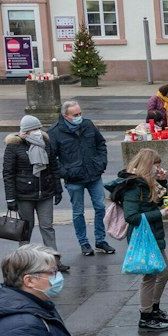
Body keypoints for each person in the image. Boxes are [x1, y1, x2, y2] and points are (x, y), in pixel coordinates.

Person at [106, 149, 168, 331]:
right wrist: (159, 214)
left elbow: (156, 202)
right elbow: (131, 216)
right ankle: (146, 316)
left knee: (163, 272)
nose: (158, 168)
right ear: (147, 165)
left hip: (152, 233)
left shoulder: (147, 182)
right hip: (144, 235)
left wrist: (162, 182)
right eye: (156, 165)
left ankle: (153, 309)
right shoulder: (134, 186)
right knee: (151, 275)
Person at [51, 100, 115, 258]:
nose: (79, 117)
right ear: (65, 116)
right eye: (75, 115)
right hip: (74, 178)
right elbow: (52, 158)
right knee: (78, 212)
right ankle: (84, 243)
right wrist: (65, 172)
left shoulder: (88, 125)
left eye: (80, 113)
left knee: (100, 207)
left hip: (93, 174)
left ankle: (100, 240)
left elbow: (101, 144)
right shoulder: (55, 132)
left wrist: (100, 163)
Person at [3, 115, 68, 271]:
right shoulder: (14, 146)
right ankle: (23, 263)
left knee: (47, 226)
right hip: (24, 194)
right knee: (26, 228)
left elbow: (53, 168)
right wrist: (10, 198)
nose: (37, 131)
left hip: (45, 192)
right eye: (34, 129)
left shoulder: (46, 144)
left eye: (38, 128)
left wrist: (58, 189)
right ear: (25, 131)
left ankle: (54, 261)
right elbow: (8, 173)